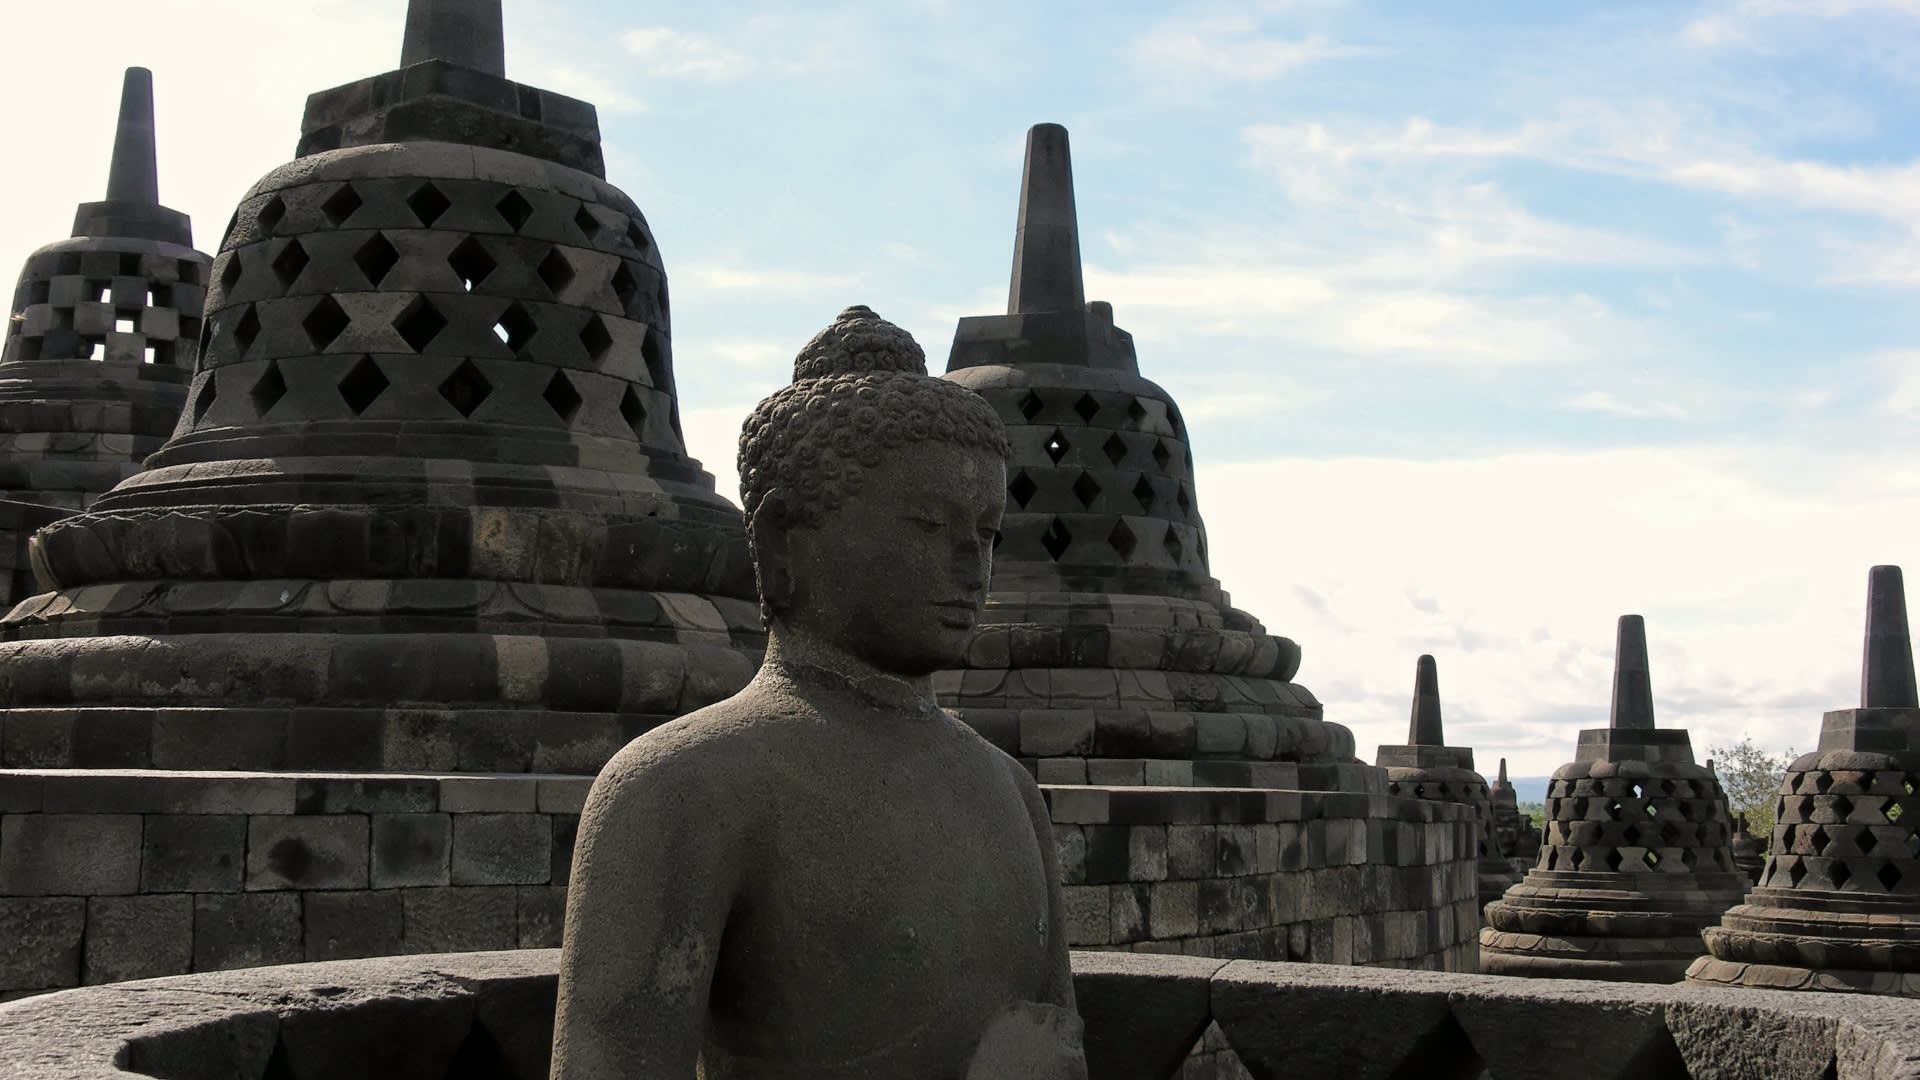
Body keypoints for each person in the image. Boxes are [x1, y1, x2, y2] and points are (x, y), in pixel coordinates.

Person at [551, 306, 1086, 1079]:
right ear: (784, 539)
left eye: (987, 533)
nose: (972, 567)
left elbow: (1058, 1044)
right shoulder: (681, 788)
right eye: (926, 526)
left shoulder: (1013, 794)